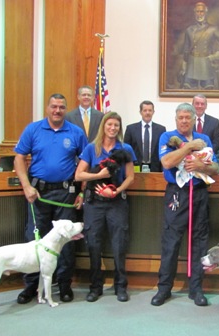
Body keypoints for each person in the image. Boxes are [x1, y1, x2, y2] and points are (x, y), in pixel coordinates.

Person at [14, 93, 88, 304]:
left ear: (66, 109)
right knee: (34, 240)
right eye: (54, 107)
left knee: (65, 241)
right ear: (47, 108)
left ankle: (64, 285)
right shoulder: (33, 129)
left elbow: (86, 162)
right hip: (37, 195)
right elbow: (19, 157)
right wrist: (26, 186)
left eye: (61, 107)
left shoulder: (75, 132)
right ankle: (31, 286)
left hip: (66, 195)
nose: (57, 111)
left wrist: (82, 192)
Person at [151, 103, 219, 307]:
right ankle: (164, 289)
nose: (183, 121)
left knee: (199, 242)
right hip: (177, 194)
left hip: (199, 193)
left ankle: (196, 289)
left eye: (187, 118)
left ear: (193, 119)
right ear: (176, 119)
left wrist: (201, 166)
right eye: (180, 117)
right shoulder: (167, 137)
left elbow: (215, 167)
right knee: (171, 242)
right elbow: (167, 163)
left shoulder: (204, 139)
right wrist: (188, 147)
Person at [74, 112, 136, 303]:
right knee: (93, 245)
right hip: (94, 204)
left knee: (119, 245)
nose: (113, 128)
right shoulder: (92, 148)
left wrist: (116, 191)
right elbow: (78, 175)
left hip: (116, 203)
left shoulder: (125, 149)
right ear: (103, 125)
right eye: (110, 124)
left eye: (116, 125)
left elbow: (131, 177)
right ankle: (95, 287)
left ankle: (120, 286)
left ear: (120, 128)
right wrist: (99, 176)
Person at [178, 2, 219, 90]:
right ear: (194, 12)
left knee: (209, 91)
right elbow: (186, 49)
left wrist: (216, 56)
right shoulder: (189, 30)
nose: (199, 14)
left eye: (201, 11)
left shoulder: (213, 29)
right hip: (191, 65)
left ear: (205, 12)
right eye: (197, 12)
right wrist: (184, 64)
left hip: (206, 65)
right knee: (187, 90)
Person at [124, 100, 166, 172]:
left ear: (153, 112)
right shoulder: (131, 129)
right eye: (145, 110)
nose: (147, 113)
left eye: (150, 110)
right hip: (135, 167)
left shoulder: (161, 129)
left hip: (155, 168)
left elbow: (163, 150)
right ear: (140, 112)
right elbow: (126, 150)